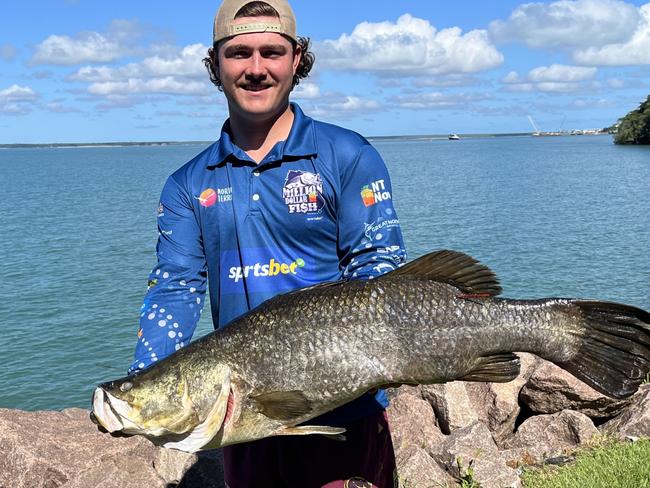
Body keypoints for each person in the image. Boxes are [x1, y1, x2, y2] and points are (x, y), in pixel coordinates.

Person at [129, 0, 407, 486]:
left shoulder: (347, 154)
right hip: (247, 422)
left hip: (346, 415)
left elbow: (378, 271)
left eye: (271, 52)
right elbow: (175, 288)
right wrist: (147, 389)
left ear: (297, 59)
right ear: (214, 64)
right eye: (238, 53)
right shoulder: (186, 185)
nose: (256, 69)